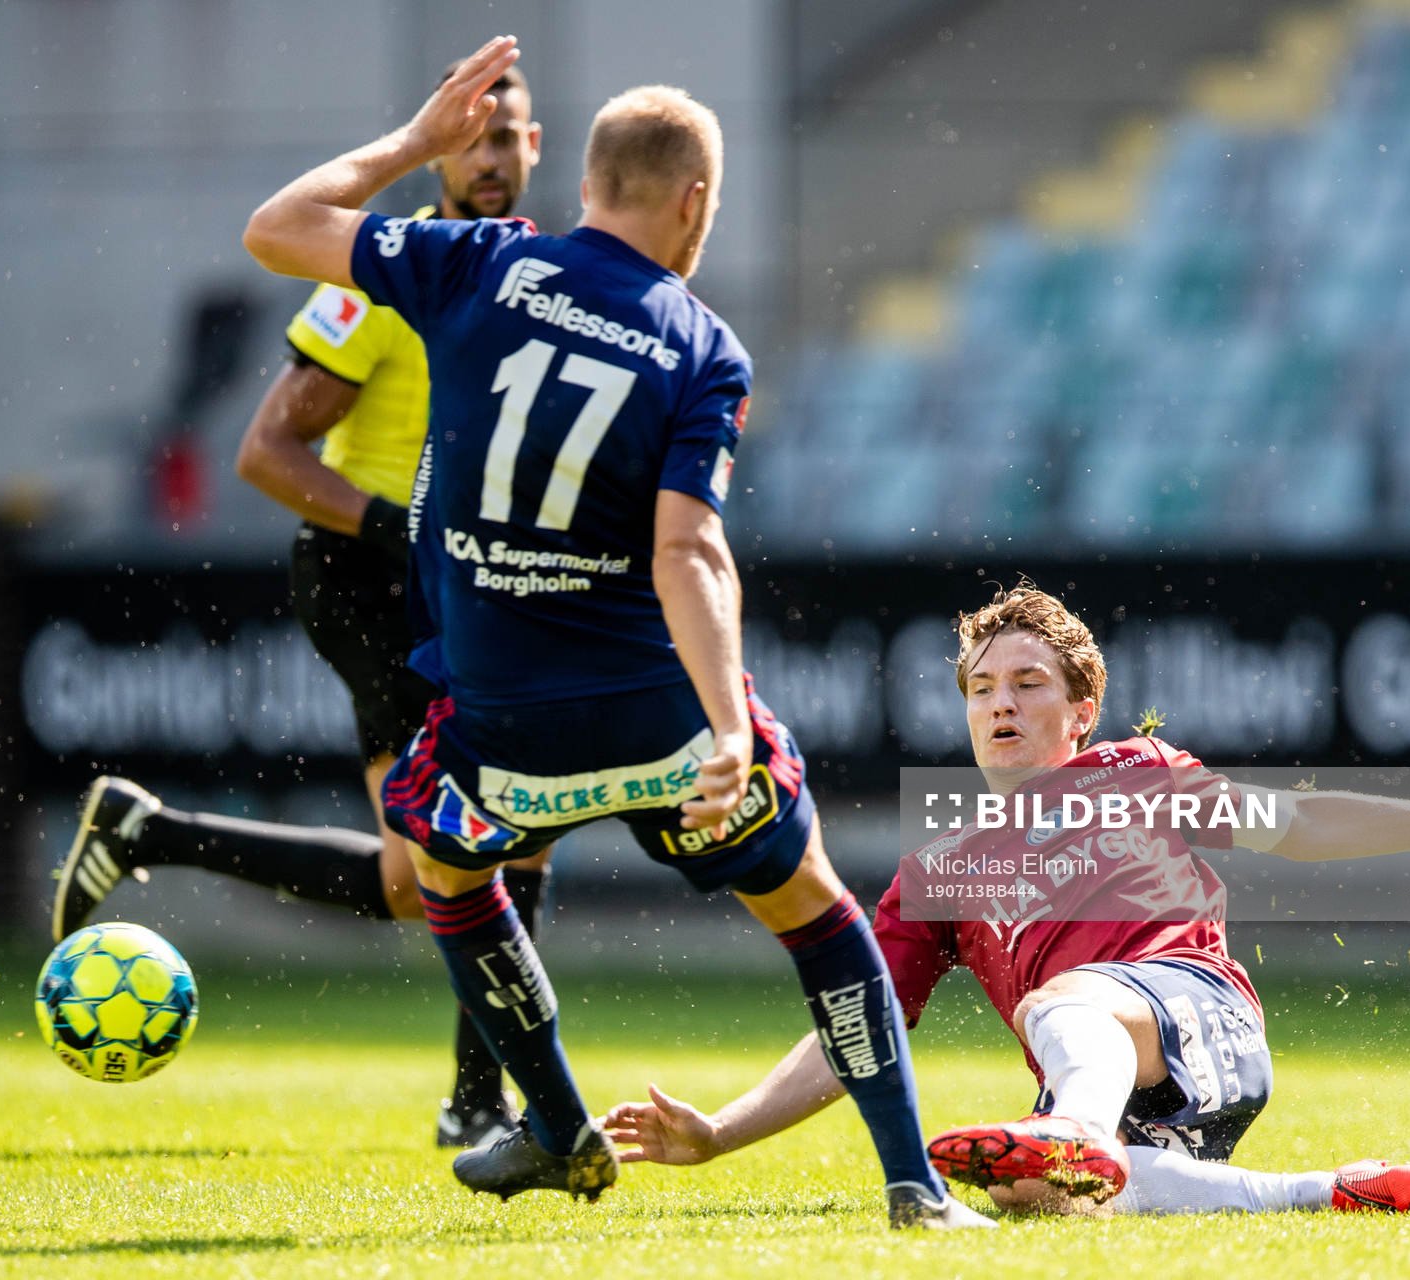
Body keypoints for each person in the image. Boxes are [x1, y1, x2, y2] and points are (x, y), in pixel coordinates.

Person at [238, 37, 991, 1230]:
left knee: (447, 869)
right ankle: (912, 1182)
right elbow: (688, 551)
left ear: (584, 182)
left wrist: (415, 146)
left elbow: (276, 228)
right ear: (694, 201)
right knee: (817, 909)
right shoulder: (703, 347)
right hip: (664, 731)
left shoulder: (475, 263)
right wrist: (730, 728)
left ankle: (553, 1121)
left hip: (503, 734)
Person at [604, 579, 1410, 1218]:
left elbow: (1303, 821)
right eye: (982, 687)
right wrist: (720, 1132)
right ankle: (1325, 1193)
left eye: (1028, 683)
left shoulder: (1137, 770)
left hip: (1199, 1020)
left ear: (1081, 711)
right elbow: (856, 1025)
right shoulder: (940, 866)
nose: (1001, 702)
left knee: (1062, 1007)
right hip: (1115, 1087)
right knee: (1031, 1193)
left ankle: (1078, 1129)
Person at [52, 61, 549, 1150]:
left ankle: (153, 830)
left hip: (464, 583)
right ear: (440, 148)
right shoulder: (389, 273)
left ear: (536, 147)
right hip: (370, 580)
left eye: (507, 135)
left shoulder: (535, 278)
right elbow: (265, 451)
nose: (490, 156)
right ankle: (482, 1100)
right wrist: (399, 526)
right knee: (482, 839)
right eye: (471, 136)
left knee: (435, 871)